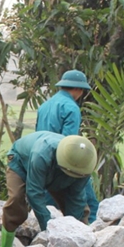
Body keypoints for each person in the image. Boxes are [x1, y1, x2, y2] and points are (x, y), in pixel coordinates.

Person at [0, 131, 96, 247]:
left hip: (60, 172)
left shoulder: (84, 165)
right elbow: (34, 193)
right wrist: (49, 231)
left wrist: (73, 231)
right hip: (21, 163)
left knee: (81, 212)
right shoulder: (41, 154)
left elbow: (76, 197)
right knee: (16, 201)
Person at [34, 69, 99, 222]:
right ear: (78, 89)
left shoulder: (44, 106)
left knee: (49, 206)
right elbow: (68, 143)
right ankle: (90, 235)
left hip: (41, 160)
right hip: (62, 162)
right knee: (89, 203)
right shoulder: (71, 108)